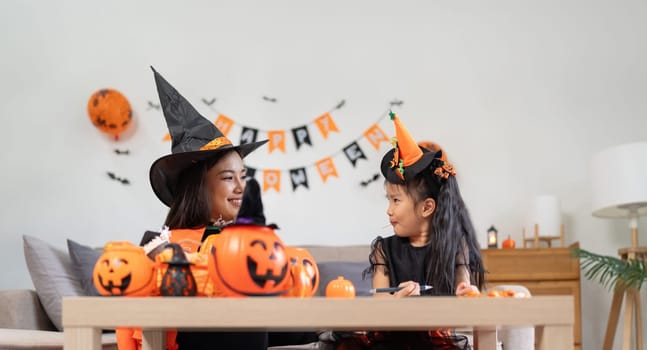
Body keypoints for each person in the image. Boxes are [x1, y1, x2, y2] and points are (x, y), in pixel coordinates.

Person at [146, 67, 269, 350]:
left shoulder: (249, 239)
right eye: (228, 178)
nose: (241, 186)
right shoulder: (170, 244)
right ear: (199, 187)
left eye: (243, 176)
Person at [359, 112, 485, 349]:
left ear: (427, 207)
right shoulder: (382, 250)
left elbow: (464, 290)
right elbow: (377, 305)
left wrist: (466, 293)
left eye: (396, 201)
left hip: (437, 343)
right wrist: (397, 302)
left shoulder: (455, 248)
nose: (389, 210)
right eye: (388, 201)